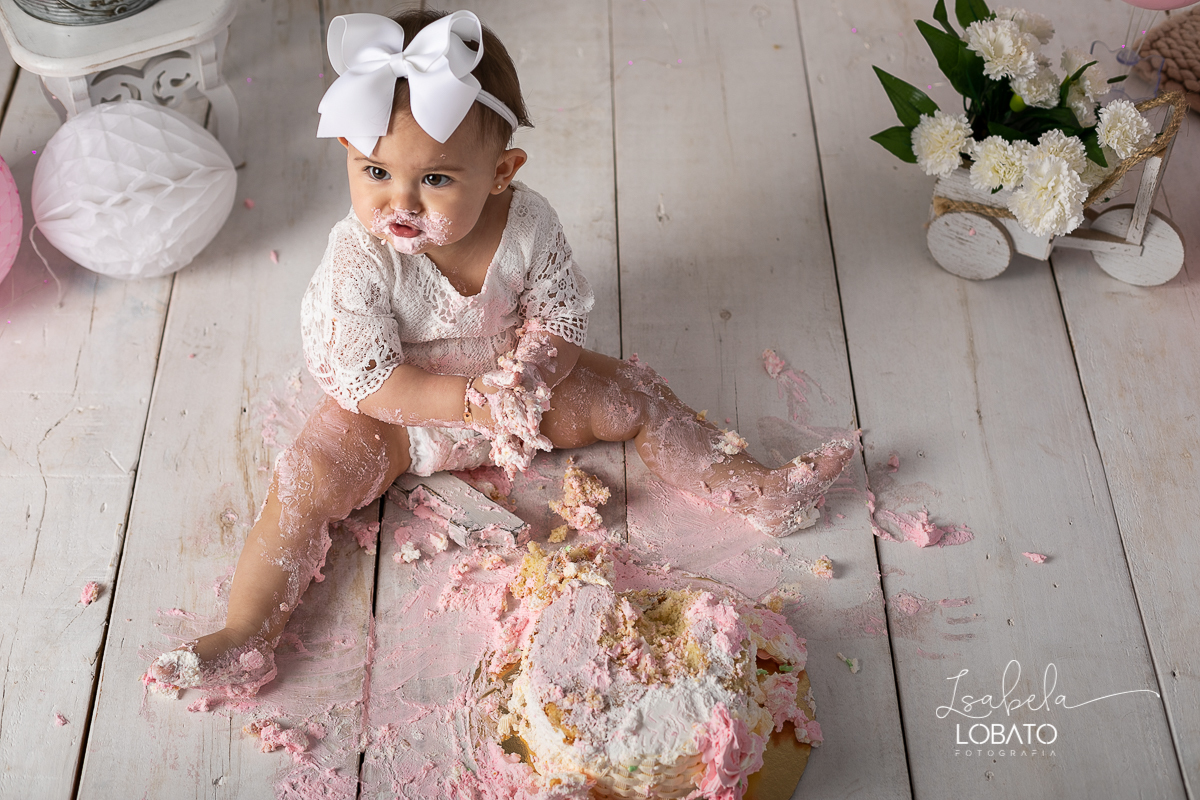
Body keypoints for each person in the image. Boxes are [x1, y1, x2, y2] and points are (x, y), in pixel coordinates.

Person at [147, 8, 855, 694]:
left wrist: (533, 374)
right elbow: (364, 376)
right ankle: (246, 635)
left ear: (502, 172)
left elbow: (558, 315)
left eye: (435, 179)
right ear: (347, 156)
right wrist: (465, 403)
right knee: (305, 479)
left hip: (517, 394)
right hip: (400, 416)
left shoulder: (529, 225)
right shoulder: (357, 257)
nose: (401, 202)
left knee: (637, 397)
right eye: (375, 172)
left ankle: (755, 491)